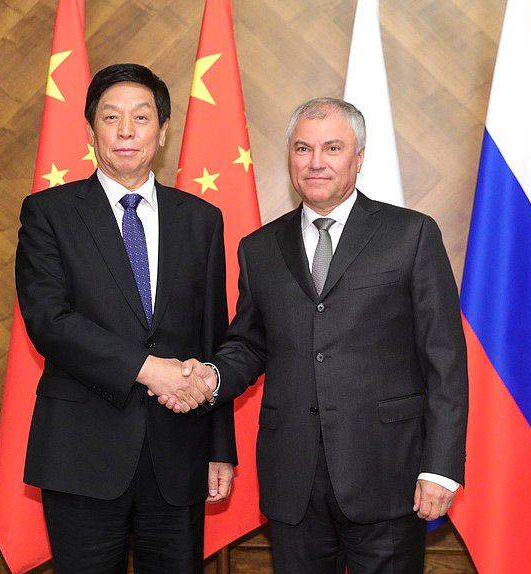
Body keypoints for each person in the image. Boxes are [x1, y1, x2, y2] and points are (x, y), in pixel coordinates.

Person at [177, 97, 468, 573]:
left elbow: (445, 359)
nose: (315, 162)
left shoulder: (410, 234)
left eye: (332, 148)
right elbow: (249, 344)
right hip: (293, 479)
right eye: (302, 148)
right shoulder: (259, 248)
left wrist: (440, 467)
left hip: (388, 472)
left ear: (359, 157)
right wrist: (208, 376)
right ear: (289, 156)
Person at [15, 63, 236, 573]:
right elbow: (49, 321)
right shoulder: (49, 213)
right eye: (110, 117)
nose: (125, 130)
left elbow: (213, 335)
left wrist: (219, 447)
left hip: (179, 454)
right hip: (81, 451)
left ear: (162, 130)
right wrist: (148, 368)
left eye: (140, 117)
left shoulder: (200, 219)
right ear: (91, 128)